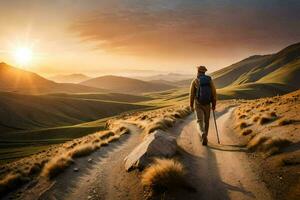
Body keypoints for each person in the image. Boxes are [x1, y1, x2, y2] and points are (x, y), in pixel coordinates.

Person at [189, 66, 217, 146]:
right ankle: (205, 136)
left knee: (199, 121)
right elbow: (214, 92)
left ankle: (202, 134)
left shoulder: (195, 81)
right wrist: (214, 104)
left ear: (198, 72)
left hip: (198, 104)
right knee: (206, 121)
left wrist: (191, 105)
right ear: (204, 72)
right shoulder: (209, 80)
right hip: (207, 104)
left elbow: (191, 94)